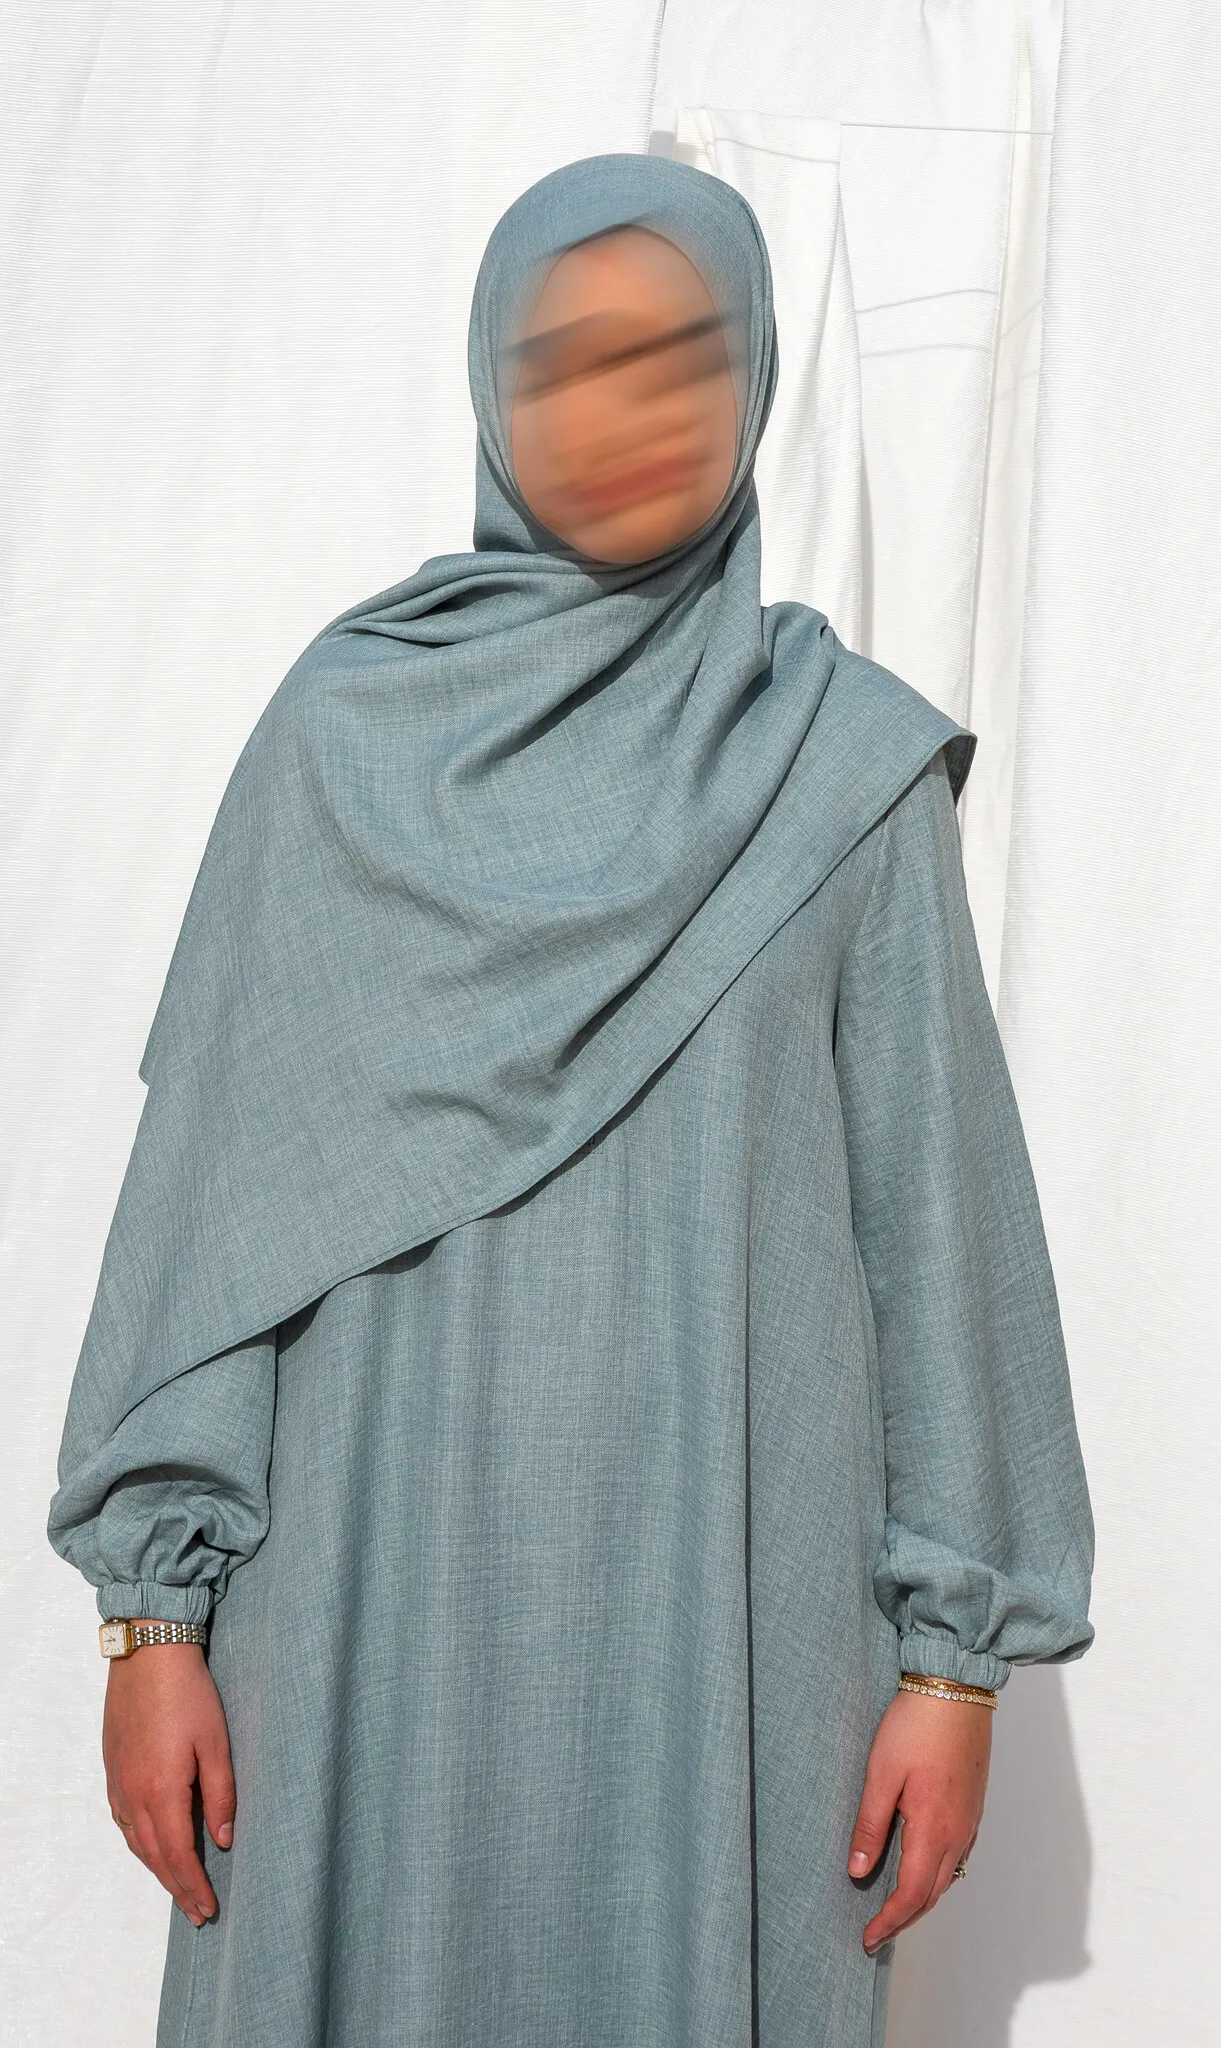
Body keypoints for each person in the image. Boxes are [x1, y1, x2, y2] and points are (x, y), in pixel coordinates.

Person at [47, 154, 1093, 2048]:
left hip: (728, 1636)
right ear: (490, 387)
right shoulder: (340, 742)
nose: (629, 412)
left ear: (757, 380)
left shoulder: (839, 773)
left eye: (683, 357)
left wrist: (957, 1670)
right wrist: (153, 1620)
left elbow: (939, 1239)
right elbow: (209, 1216)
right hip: (357, 1623)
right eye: (570, 361)